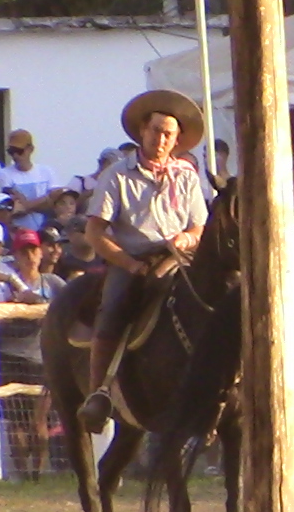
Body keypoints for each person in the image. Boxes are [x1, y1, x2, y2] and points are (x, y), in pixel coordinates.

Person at [76, 91, 209, 433]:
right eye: (156, 131)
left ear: (177, 139)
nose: (161, 139)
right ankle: (99, 395)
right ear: (141, 131)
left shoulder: (187, 176)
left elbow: (199, 224)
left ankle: (222, 387)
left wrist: (188, 237)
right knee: (115, 307)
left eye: (169, 134)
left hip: (180, 258)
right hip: (133, 259)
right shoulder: (118, 175)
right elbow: (94, 231)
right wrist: (127, 263)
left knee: (217, 298)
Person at [0, 229, 65, 480]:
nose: (30, 255)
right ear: (15, 255)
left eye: (33, 249)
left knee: (39, 421)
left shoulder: (53, 283)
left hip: (41, 357)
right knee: (16, 423)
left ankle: (36, 475)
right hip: (10, 355)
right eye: (24, 251)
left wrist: (31, 300)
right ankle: (23, 475)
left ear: (40, 252)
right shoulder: (4, 284)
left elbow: (69, 308)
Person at [1, 130, 61, 232]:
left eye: (19, 151)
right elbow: (12, 208)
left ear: (30, 149)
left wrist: (27, 205)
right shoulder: (4, 174)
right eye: (11, 151)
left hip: (46, 232)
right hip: (18, 233)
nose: (15, 155)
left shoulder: (47, 172)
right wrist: (47, 198)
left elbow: (57, 203)